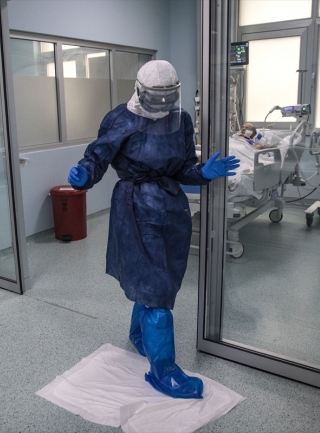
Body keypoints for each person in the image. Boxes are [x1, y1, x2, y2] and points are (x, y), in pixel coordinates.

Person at [67, 61, 239, 399]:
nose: (162, 105)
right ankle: (164, 371)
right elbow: (96, 159)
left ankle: (139, 334)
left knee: (162, 280)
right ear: (139, 91)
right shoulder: (120, 118)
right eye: (155, 98)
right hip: (134, 209)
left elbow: (183, 168)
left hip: (172, 209)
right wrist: (84, 175)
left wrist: (203, 172)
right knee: (155, 287)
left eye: (167, 98)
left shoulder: (181, 120)